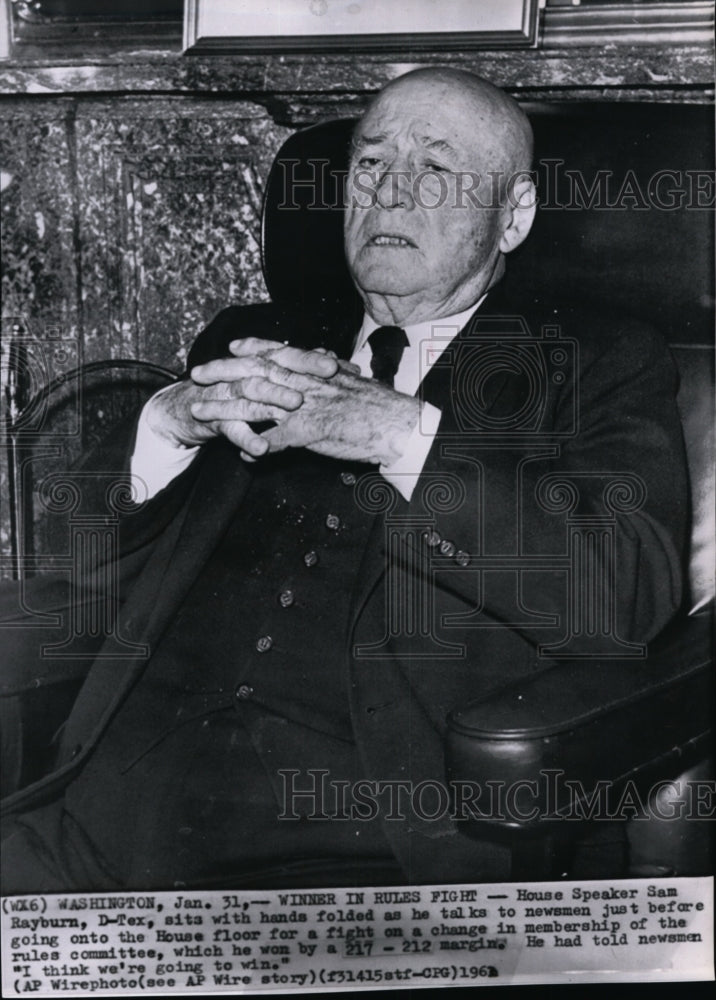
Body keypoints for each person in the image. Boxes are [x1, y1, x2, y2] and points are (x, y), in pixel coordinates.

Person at [0, 68, 687, 892]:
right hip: (107, 810)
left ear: (514, 216)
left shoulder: (599, 361)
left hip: (367, 844)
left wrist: (396, 431)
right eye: (370, 165)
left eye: (436, 167)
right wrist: (167, 423)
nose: (392, 193)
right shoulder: (254, 339)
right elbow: (76, 566)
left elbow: (624, 601)